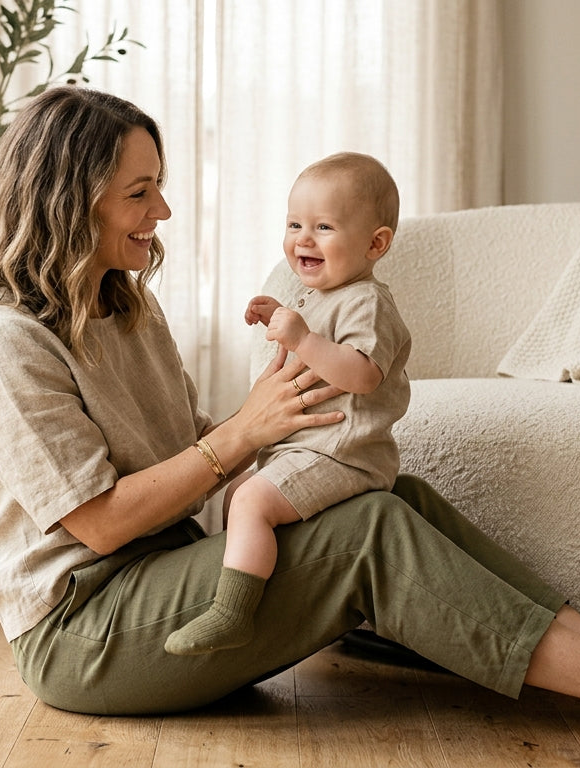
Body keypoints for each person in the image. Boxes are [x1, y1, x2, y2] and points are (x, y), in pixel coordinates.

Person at [0, 86, 580, 753]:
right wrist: (246, 431)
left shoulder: (127, 309)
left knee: (396, 498)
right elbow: (98, 521)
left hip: (169, 578)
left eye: (158, 186)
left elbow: (190, 449)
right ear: (70, 200)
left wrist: (284, 427)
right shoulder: (4, 343)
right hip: (88, 634)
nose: (161, 212)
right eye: (139, 192)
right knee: (370, 532)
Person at [164, 152, 412, 656]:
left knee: (253, 501)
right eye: (294, 223)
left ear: (375, 243)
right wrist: (280, 313)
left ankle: (232, 615)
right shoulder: (313, 296)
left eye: (324, 226)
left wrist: (302, 339)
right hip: (307, 450)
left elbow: (363, 374)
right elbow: (314, 336)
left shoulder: (369, 301)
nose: (303, 238)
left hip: (345, 453)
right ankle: (253, 590)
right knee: (239, 495)